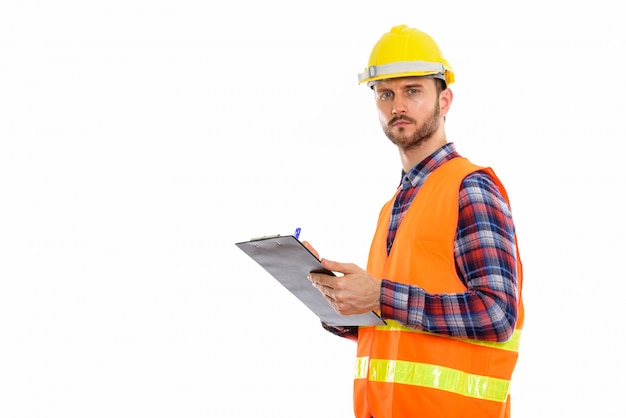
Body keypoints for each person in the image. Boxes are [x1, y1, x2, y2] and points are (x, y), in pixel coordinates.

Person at [305, 24, 524, 418]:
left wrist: (380, 297)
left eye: (413, 91)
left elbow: (497, 314)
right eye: (385, 94)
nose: (397, 106)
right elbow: (402, 327)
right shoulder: (392, 207)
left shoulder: (469, 188)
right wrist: (343, 306)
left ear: (445, 100)